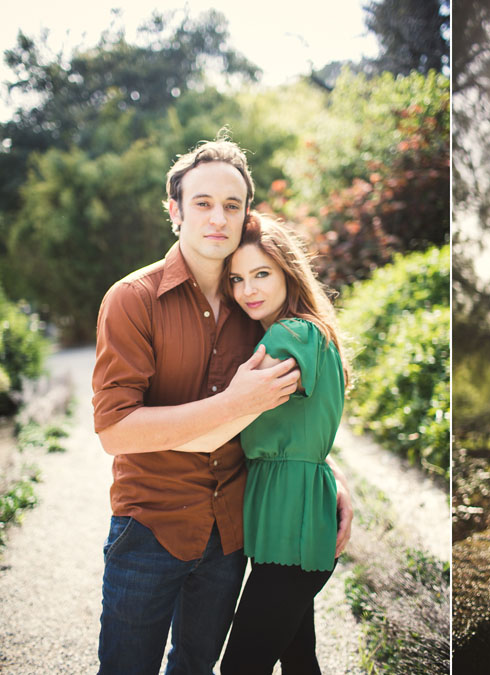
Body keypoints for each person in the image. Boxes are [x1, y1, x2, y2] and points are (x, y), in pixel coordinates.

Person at [92, 137, 352, 674]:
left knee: (198, 668)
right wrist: (233, 403)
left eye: (232, 205)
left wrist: (329, 472)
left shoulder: (257, 312)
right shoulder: (132, 299)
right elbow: (115, 431)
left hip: (231, 534)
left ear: (245, 215)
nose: (218, 217)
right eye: (203, 203)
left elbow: (293, 416)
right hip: (150, 526)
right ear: (175, 211)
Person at [170, 212, 348, 673]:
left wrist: (165, 435)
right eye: (236, 279)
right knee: (298, 656)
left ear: (289, 271)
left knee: (241, 667)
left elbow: (229, 420)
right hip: (289, 520)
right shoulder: (301, 331)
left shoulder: (290, 337)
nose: (248, 290)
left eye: (262, 274)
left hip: (293, 524)